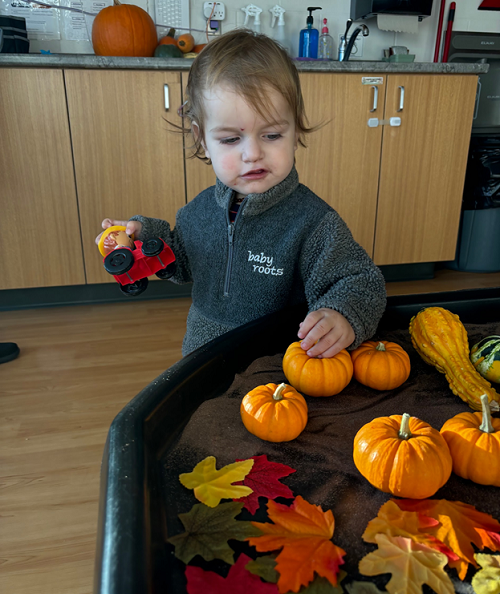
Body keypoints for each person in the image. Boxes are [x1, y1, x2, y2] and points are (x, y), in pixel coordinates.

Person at [96, 29, 386, 358]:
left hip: (276, 369)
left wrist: (342, 314)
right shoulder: (198, 212)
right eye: (231, 139)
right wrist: (142, 235)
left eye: (273, 134)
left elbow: (361, 280)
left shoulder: (314, 223)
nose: (252, 154)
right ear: (202, 140)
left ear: (295, 131)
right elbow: (180, 263)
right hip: (203, 357)